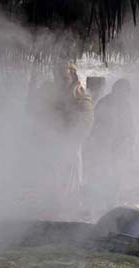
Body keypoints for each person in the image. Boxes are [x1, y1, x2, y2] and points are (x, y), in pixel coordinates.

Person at [30, 63, 94, 203]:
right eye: (58, 78)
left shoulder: (81, 96)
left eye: (65, 78)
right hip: (51, 142)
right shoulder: (50, 94)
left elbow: (86, 122)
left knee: (70, 178)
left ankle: (69, 204)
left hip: (70, 143)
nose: (62, 82)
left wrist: (70, 138)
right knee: (51, 178)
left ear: (72, 76)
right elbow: (38, 114)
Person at [83, 78, 135, 213]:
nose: (124, 94)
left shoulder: (126, 106)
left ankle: (111, 205)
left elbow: (130, 128)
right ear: (115, 89)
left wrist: (129, 145)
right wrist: (94, 144)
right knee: (101, 175)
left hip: (118, 149)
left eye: (126, 92)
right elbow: (94, 125)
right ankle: (96, 204)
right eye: (122, 91)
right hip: (103, 147)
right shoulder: (104, 103)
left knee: (115, 177)